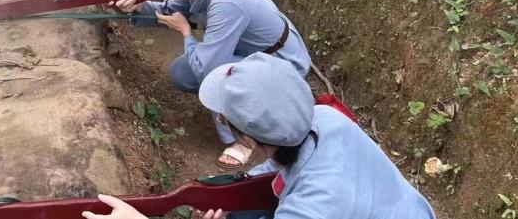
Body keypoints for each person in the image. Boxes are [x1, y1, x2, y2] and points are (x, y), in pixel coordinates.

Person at [82, 53, 437, 219]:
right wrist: (228, 192)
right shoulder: (325, 118)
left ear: (247, 138)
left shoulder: (310, 207)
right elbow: (277, 165)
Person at [113, 0, 310, 168]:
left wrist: (186, 32)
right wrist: (139, 5)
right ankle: (241, 111)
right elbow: (172, 10)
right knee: (183, 71)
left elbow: (208, 68)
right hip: (257, 56)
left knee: (213, 72)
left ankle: (242, 138)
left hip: (284, 65)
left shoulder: (226, 3)